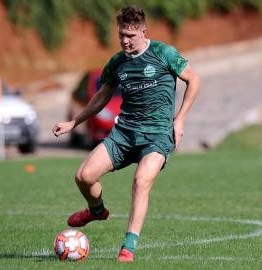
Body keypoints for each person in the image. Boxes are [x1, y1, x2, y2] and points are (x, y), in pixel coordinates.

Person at [53, 5, 200, 262]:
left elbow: (194, 80)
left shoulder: (163, 53)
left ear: (144, 32)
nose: (124, 40)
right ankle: (96, 211)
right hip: (124, 134)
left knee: (141, 181)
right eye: (121, 34)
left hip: (157, 136)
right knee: (84, 176)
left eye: (130, 35)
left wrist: (180, 120)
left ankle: (128, 247)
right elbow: (102, 96)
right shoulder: (117, 63)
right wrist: (73, 123)